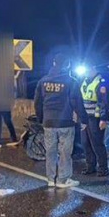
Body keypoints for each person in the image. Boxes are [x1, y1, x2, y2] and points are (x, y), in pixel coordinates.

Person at [34, 53, 88, 188]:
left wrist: (41, 118)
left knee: (50, 151)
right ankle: (63, 180)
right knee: (65, 152)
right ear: (68, 65)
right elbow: (77, 102)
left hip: (48, 122)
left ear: (53, 63)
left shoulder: (43, 81)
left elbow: (38, 102)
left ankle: (50, 179)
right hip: (65, 122)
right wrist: (84, 119)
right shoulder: (71, 81)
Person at [80, 66, 109, 176]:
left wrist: (103, 119)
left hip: (96, 119)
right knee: (85, 143)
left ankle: (103, 168)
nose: (86, 71)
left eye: (88, 69)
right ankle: (90, 166)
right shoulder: (85, 81)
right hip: (85, 118)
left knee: (97, 144)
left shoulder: (100, 83)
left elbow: (104, 102)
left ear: (94, 69)